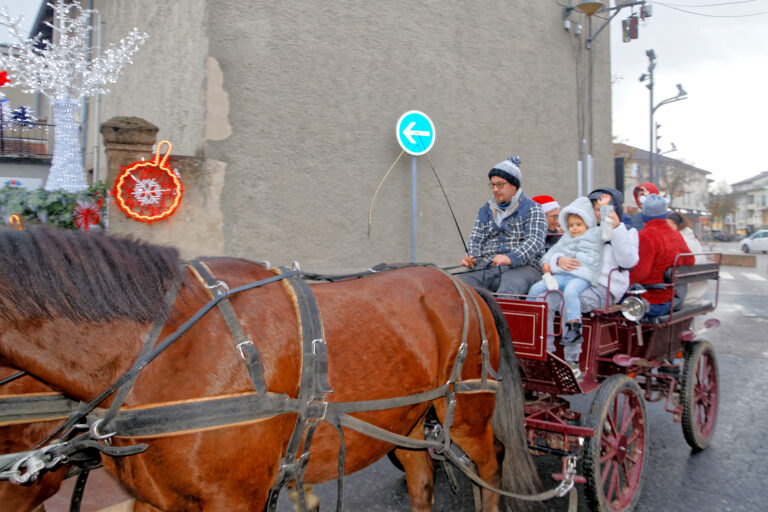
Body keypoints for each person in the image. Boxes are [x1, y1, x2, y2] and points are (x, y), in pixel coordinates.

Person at [538, 187, 640, 365]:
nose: (597, 213)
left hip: (603, 287)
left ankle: (572, 358)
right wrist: (559, 260)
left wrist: (616, 229)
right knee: (543, 299)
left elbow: (628, 261)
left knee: (569, 302)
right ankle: (546, 351)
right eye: (594, 208)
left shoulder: (627, 232)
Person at [528, 196, 610, 372]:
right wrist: (546, 263)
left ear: (587, 223)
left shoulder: (594, 235)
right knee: (536, 290)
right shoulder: (566, 238)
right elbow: (550, 253)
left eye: (578, 224)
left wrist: (605, 209)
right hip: (563, 276)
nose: (574, 228)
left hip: (582, 276)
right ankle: (536, 334)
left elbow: (607, 230)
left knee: (571, 292)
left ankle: (574, 331)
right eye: (571, 225)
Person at [459, 155, 547, 296]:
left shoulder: (533, 208)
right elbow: (475, 239)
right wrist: (473, 257)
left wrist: (510, 257)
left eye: (500, 185)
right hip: (487, 267)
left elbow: (535, 241)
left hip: (524, 267)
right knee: (458, 286)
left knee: (507, 291)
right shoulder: (485, 210)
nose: (495, 189)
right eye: (493, 185)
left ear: (514, 186)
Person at [629, 194, 695, 318]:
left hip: (651, 301)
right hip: (669, 300)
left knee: (612, 301)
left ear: (644, 216)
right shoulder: (676, 235)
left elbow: (640, 273)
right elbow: (690, 260)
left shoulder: (645, 236)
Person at [668, 212, 708, 304]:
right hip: (698, 296)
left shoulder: (679, 240)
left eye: (669, 225)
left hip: (683, 298)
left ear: (677, 225)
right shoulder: (693, 239)